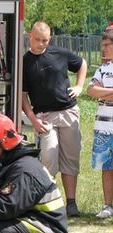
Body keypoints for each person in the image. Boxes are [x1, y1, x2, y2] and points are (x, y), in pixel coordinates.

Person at [22, 21, 87, 217]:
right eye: (39, 40)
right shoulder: (25, 62)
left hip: (68, 112)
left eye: (46, 40)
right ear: (30, 37)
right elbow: (23, 96)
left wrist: (79, 86)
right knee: (49, 156)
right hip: (44, 116)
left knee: (71, 158)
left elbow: (82, 64)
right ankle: (47, 201)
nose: (42, 44)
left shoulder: (59, 53)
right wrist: (32, 119)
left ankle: (71, 203)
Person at [86, 29, 113, 219]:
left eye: (106, 45)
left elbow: (98, 91)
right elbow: (90, 90)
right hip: (103, 128)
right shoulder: (102, 69)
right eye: (102, 45)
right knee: (106, 167)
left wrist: (102, 91)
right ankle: (108, 205)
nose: (102, 49)